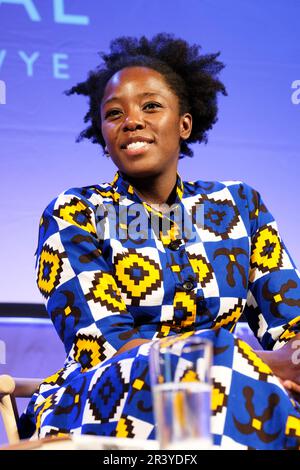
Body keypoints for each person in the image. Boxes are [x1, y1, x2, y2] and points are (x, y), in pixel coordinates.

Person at [20, 33, 300, 449]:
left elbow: (291, 327)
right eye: (114, 113)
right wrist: (239, 359)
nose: (131, 120)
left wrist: (289, 359)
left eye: (151, 106)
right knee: (201, 386)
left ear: (184, 123)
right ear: (103, 132)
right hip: (106, 401)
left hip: (239, 394)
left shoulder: (240, 206)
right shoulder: (75, 212)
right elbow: (107, 349)